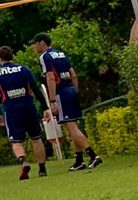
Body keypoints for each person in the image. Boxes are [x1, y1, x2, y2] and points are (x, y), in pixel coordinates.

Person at [31, 33, 103, 171]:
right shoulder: (61, 53)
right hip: (70, 90)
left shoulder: (45, 57)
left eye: (35, 43)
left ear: (41, 43)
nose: (34, 47)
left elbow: (50, 78)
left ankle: (93, 155)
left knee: (71, 127)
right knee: (72, 125)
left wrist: (52, 101)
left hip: (60, 93)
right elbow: (73, 74)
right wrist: (74, 91)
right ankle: (79, 160)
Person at [0, 46, 51, 179]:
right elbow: (36, 89)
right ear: (13, 57)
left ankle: (23, 162)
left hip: (11, 110)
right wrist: (46, 107)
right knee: (36, 138)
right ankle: (42, 169)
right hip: (28, 107)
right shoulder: (24, 69)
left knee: (16, 141)